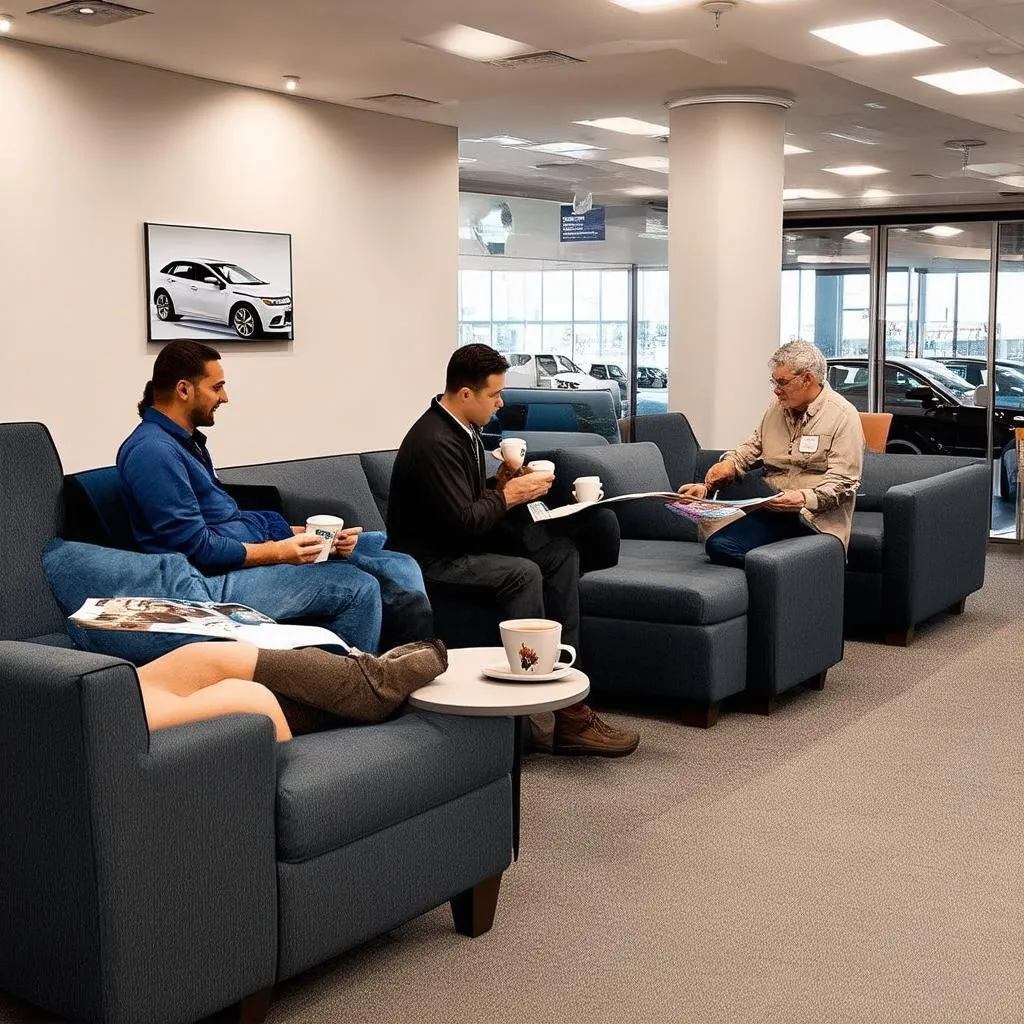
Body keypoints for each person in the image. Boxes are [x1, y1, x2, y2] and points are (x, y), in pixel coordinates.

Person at [387, 343, 640, 758]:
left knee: (560, 554)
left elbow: (465, 504)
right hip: (429, 560)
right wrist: (509, 495)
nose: (501, 403)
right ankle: (531, 717)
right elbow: (461, 524)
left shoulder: (463, 430)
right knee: (523, 572)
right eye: (495, 394)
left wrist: (500, 485)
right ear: (466, 394)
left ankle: (569, 707)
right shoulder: (434, 440)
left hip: (458, 544)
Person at [117, 340, 432, 653]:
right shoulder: (154, 451)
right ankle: (358, 689)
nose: (225, 397)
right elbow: (196, 548)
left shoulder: (186, 443)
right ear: (184, 390)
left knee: (386, 545)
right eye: (217, 387)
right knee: (358, 586)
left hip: (231, 560)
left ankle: (411, 659)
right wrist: (280, 552)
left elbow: (228, 522)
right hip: (202, 583)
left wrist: (307, 536)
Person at [678, 339, 864, 567]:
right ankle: (779, 572)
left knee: (739, 550)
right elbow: (751, 448)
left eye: (782, 382)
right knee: (719, 545)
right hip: (775, 512)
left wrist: (803, 498)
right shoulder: (777, 407)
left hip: (815, 520)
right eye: (774, 381)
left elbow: (843, 484)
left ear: (807, 379)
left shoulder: (843, 416)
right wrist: (725, 467)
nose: (776, 390)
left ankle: (783, 571)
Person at [136, 637, 449, 741]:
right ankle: (365, 684)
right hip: (124, 718)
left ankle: (363, 679)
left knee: (208, 659)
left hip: (132, 690)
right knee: (251, 698)